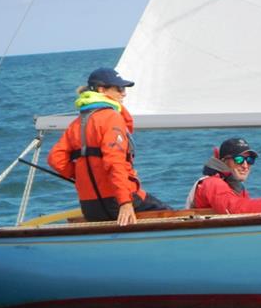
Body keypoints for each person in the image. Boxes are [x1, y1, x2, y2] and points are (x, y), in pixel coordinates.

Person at [48, 67, 170, 225]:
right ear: (102, 90)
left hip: (90, 206)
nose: (124, 93)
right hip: (117, 201)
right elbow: (114, 162)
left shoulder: (76, 124)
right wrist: (125, 203)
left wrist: (84, 176)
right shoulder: (111, 118)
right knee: (169, 213)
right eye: (119, 88)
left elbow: (55, 159)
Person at [186, 138, 261, 214]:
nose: (245, 165)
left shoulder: (236, 188)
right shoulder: (212, 183)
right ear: (223, 161)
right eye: (239, 159)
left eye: (250, 160)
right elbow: (234, 210)